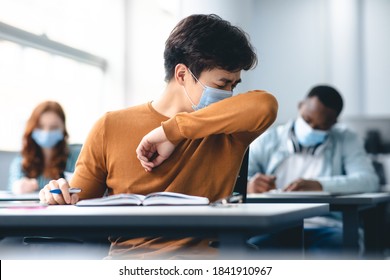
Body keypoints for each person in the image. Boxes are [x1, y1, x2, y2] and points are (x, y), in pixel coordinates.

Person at [38, 14, 278, 259]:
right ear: (183, 75)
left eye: (234, 85)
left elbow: (265, 105)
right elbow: (77, 203)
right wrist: (58, 192)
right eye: (222, 84)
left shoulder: (228, 129)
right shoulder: (110, 126)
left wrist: (171, 131)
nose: (228, 94)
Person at [247, 85, 379, 258]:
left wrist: (319, 185)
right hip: (274, 226)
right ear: (300, 106)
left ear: (334, 123)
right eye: (307, 120)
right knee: (254, 253)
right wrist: (250, 185)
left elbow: (368, 180)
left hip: (326, 227)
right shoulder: (268, 139)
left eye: (321, 126)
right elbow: (236, 179)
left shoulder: (346, 139)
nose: (311, 128)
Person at [8, 101, 80, 194]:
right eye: (40, 127)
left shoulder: (77, 156)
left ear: (63, 129)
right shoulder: (21, 161)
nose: (46, 132)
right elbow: (13, 187)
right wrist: (18, 187)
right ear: (32, 127)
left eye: (53, 127)